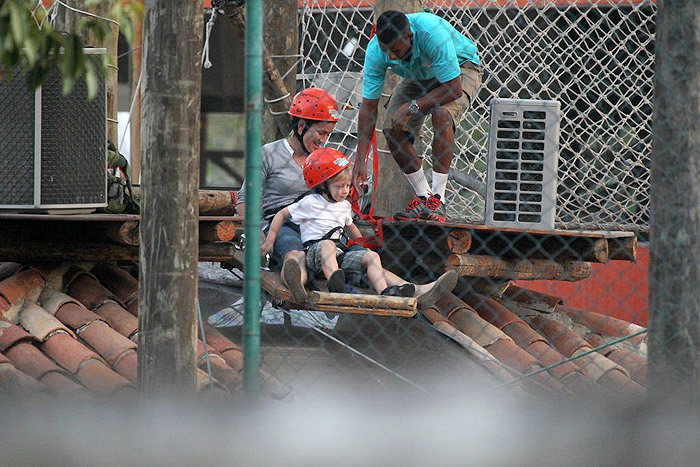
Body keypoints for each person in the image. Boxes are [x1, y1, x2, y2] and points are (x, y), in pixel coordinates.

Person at [239, 87, 454, 306]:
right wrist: (258, 235)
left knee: (364, 257)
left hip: (323, 225)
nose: (324, 140)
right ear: (301, 126)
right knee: (295, 253)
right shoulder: (268, 154)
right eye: (321, 133)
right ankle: (297, 282)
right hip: (284, 224)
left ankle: (415, 291)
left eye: (329, 134)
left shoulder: (324, 159)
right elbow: (243, 200)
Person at [262, 148, 457, 306]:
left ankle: (386, 292)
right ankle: (334, 283)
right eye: (339, 186)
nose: (345, 191)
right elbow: (281, 215)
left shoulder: (345, 206)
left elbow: (351, 228)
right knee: (328, 245)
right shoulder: (309, 202)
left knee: (372, 257)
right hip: (316, 253)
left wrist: (364, 246)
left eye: (347, 186)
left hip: (341, 255)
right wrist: (270, 240)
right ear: (322, 185)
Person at [352, 10, 483, 222]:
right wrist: (360, 160)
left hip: (459, 71)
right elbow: (368, 108)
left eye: (395, 50)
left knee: (442, 115)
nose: (391, 57)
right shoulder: (376, 51)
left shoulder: (431, 34)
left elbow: (453, 89)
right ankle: (424, 197)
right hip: (420, 76)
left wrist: (412, 106)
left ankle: (438, 200)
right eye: (386, 51)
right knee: (392, 128)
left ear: (409, 37)